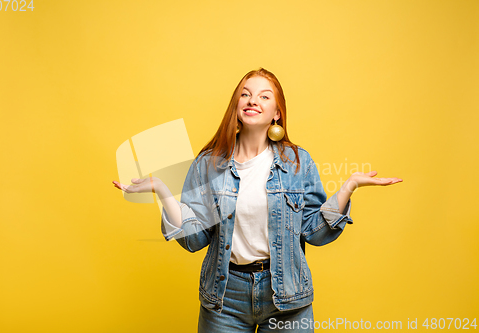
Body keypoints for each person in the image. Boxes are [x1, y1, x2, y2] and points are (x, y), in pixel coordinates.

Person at [112, 68, 402, 332]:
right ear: (236, 106)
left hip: (287, 297)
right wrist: (163, 191)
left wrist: (348, 186)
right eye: (245, 95)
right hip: (225, 297)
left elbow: (315, 231)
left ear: (277, 112)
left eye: (264, 96)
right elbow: (194, 239)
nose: (252, 101)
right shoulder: (209, 164)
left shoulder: (297, 162)